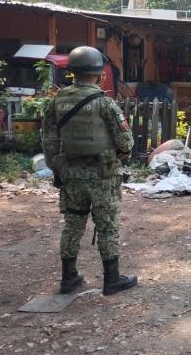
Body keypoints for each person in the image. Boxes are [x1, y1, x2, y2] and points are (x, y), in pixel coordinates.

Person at [42, 46, 138, 295]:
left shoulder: (56, 101)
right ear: (99, 73)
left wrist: (60, 168)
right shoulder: (105, 103)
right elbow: (126, 142)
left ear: (72, 71)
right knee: (107, 225)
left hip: (70, 175)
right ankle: (112, 279)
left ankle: (68, 278)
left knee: (73, 224)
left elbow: (49, 143)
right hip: (103, 175)